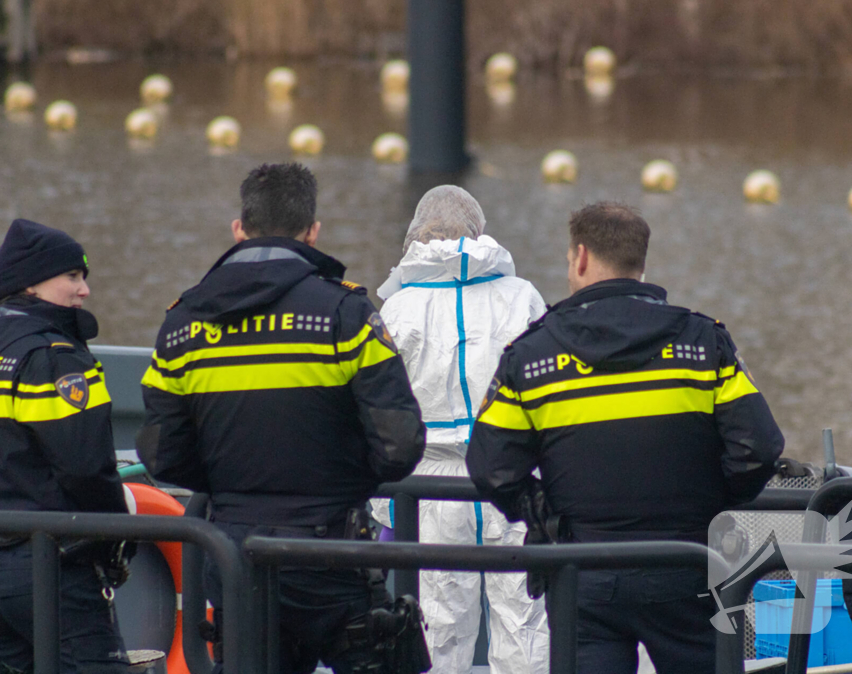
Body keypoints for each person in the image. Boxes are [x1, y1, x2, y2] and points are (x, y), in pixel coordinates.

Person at [465, 202, 785, 674]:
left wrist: (545, 512)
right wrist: (707, 503)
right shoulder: (702, 343)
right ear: (641, 264)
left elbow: (490, 465)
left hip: (583, 571)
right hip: (688, 564)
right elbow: (759, 447)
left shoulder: (533, 355)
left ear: (579, 257)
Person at [136, 162, 427, 674]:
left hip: (233, 553)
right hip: (333, 554)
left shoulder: (182, 325)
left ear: (238, 229)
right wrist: (340, 487)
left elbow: (162, 453)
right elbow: (399, 445)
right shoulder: (344, 314)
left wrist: (231, 492)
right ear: (312, 231)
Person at [369, 185, 549, 674]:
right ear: (479, 230)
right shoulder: (521, 296)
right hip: (510, 476)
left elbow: (380, 411)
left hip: (429, 489)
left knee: (438, 629)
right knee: (524, 623)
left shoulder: (398, 308)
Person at [0, 218, 131, 674]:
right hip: (53, 572)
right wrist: (118, 538)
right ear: (31, 283)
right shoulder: (54, 356)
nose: (83, 289)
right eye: (72, 276)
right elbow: (86, 468)